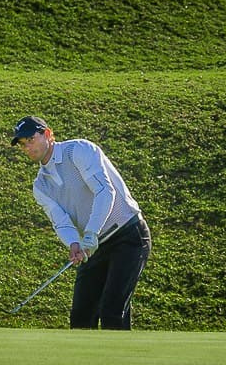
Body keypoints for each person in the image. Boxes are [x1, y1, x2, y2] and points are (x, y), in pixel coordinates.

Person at [10, 115, 151, 329]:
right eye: (22, 144)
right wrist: (73, 244)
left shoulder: (78, 150)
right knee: (81, 316)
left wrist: (91, 233)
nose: (27, 147)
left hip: (128, 236)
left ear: (48, 135)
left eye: (30, 139)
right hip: (92, 246)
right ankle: (87, 363)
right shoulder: (40, 185)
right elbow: (61, 220)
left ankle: (119, 361)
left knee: (112, 310)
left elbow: (105, 192)